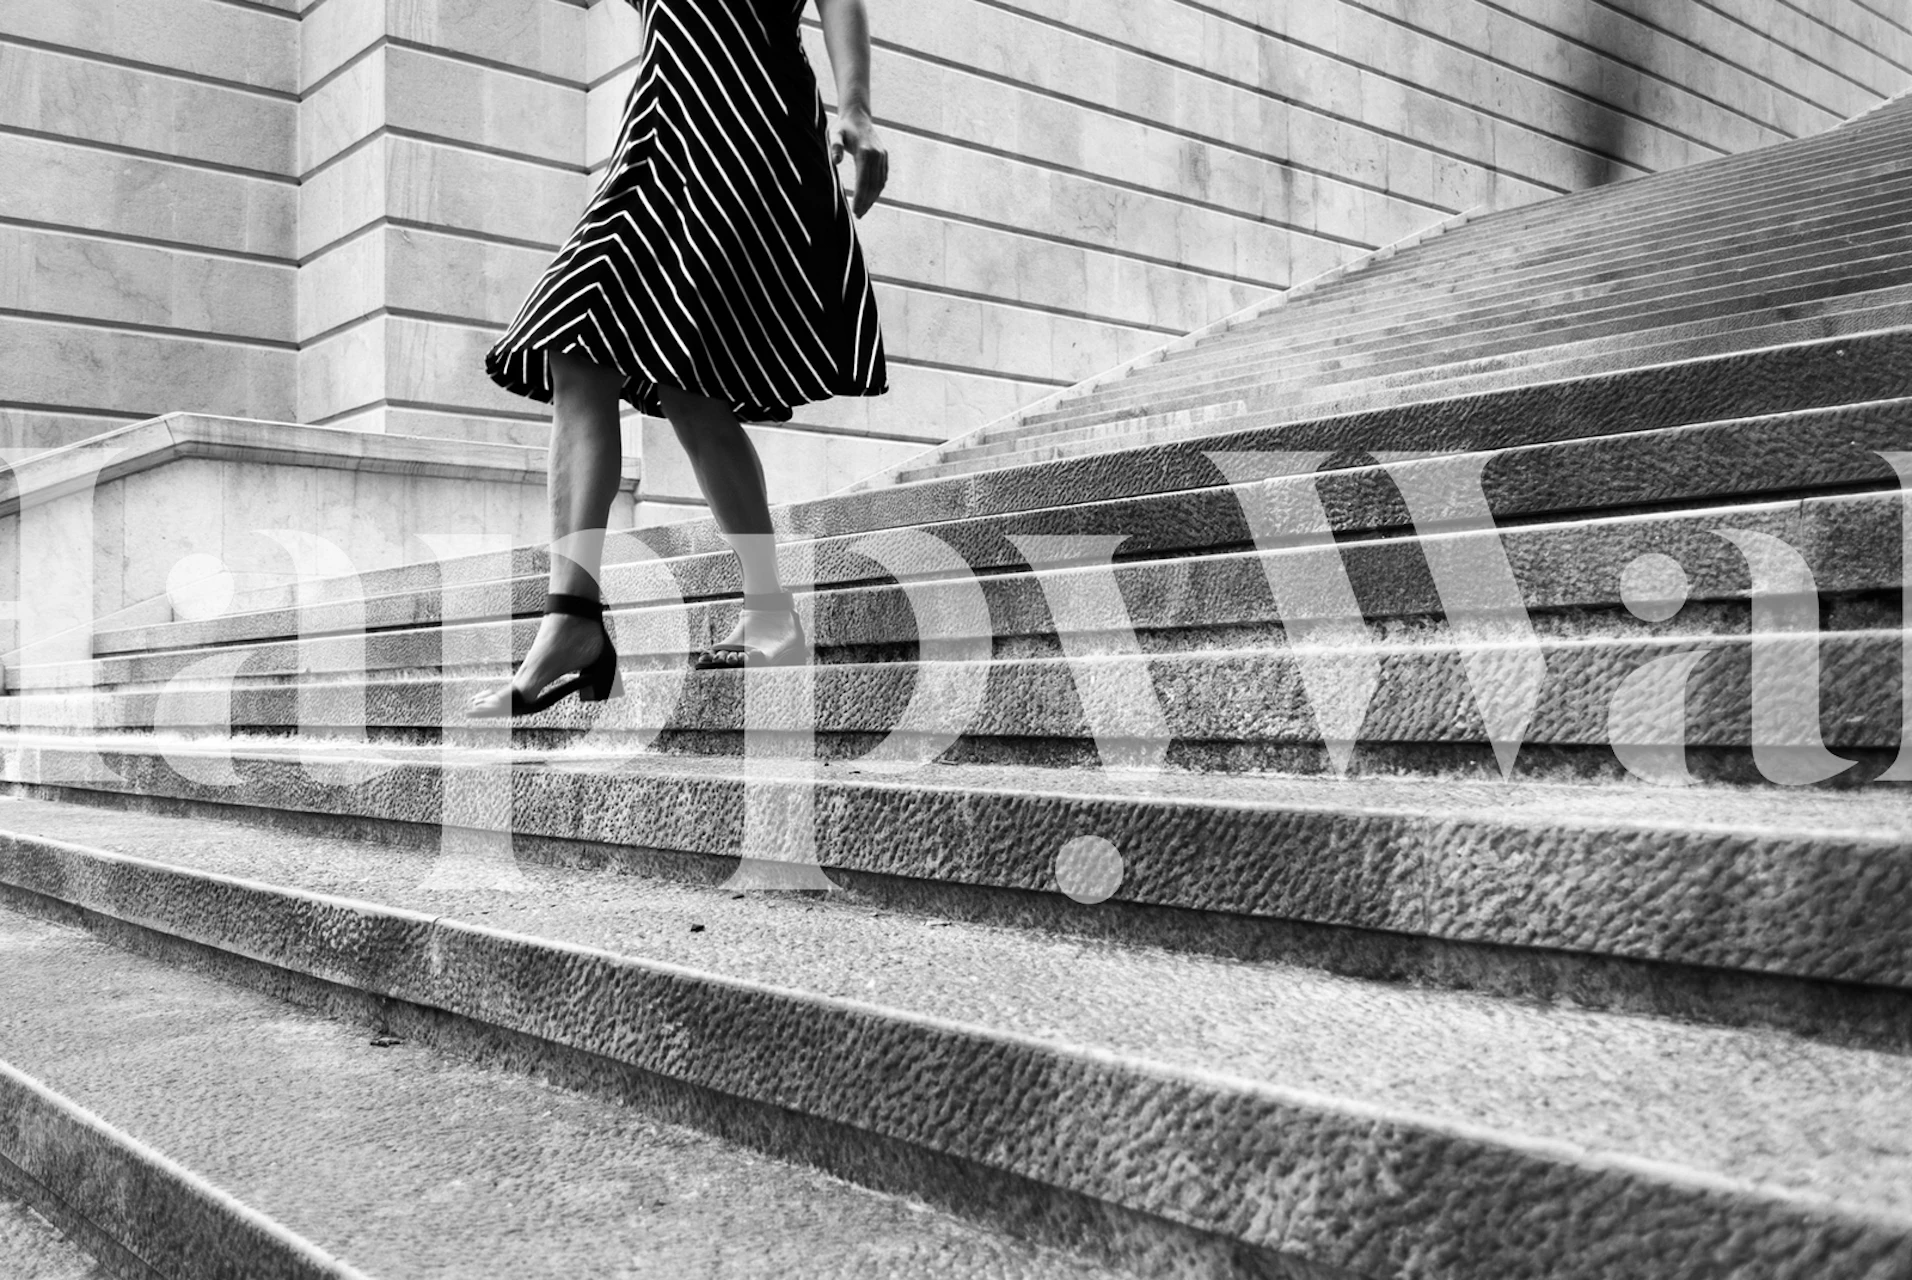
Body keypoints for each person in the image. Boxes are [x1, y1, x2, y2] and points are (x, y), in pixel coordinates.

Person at [469, 0, 890, 718]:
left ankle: (764, 610)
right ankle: (573, 617)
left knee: (691, 388)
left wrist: (856, 106)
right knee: (576, 347)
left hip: (749, 127)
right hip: (658, 139)